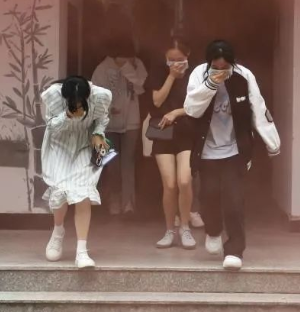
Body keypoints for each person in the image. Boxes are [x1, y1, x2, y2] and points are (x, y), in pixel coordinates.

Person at [184, 40, 281, 270]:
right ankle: (213, 230)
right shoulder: (199, 74)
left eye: (225, 67)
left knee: (234, 201)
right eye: (216, 67)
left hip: (235, 151)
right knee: (208, 196)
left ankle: (235, 250)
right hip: (207, 151)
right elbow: (191, 109)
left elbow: (258, 107)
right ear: (209, 63)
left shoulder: (244, 76)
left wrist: (272, 143)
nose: (220, 71)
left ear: (232, 63)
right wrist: (210, 84)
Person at [41, 76, 112, 269]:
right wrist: (67, 116)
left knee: (83, 194)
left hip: (84, 145)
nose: (78, 104)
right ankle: (58, 232)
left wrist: (98, 134)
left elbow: (102, 120)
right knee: (60, 191)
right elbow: (51, 127)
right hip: (59, 145)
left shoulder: (100, 95)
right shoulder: (53, 95)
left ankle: (82, 252)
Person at [146, 38, 204, 249]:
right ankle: (170, 229)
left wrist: (177, 112)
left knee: (185, 181)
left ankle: (185, 228)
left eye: (179, 59)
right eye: (171, 59)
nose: (176, 63)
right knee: (169, 184)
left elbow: (200, 104)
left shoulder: (196, 75)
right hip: (163, 133)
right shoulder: (158, 73)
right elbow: (156, 101)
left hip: (187, 132)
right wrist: (171, 76)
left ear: (188, 57)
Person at [92, 36, 148, 216]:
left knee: (128, 163)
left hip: (131, 121)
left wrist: (127, 68)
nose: (125, 60)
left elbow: (141, 86)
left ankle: (129, 203)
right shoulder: (102, 68)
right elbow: (95, 95)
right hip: (108, 124)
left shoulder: (136, 64)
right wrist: (108, 109)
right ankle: (114, 200)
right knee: (111, 163)